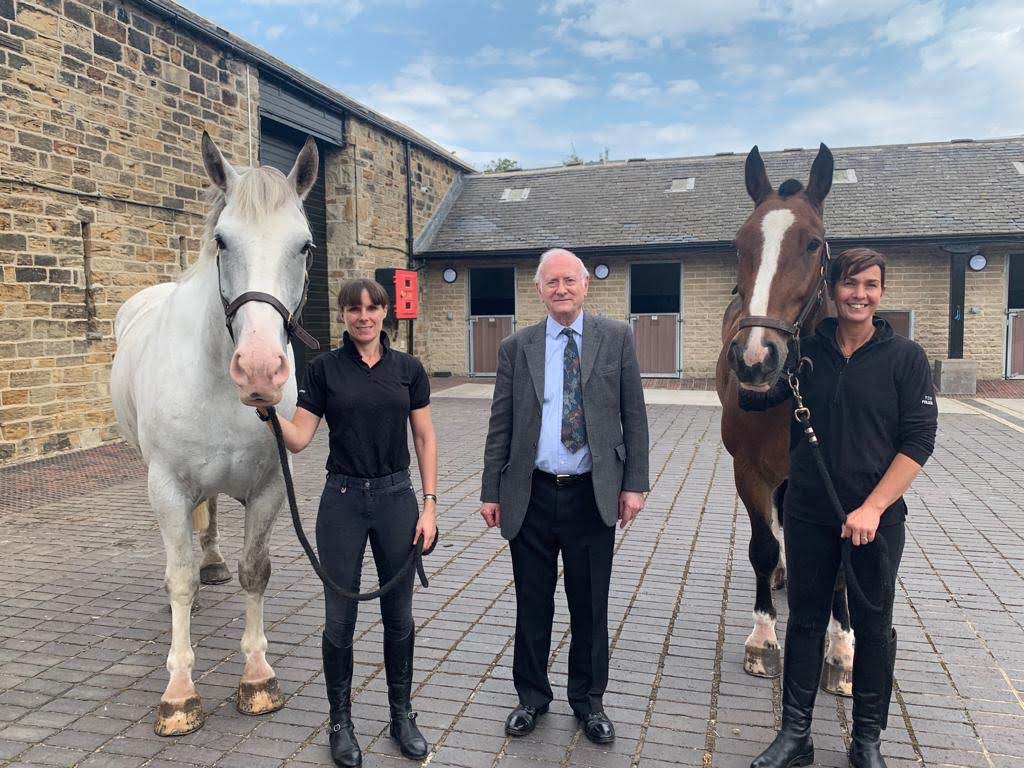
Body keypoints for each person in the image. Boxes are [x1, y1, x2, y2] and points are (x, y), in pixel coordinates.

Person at [745, 248, 937, 768]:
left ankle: (867, 742)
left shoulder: (906, 360)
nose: (859, 295)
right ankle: (795, 736)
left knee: (875, 628)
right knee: (805, 622)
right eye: (850, 285)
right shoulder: (805, 352)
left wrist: (873, 508)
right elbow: (756, 400)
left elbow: (918, 442)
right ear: (830, 289)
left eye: (870, 285)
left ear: (881, 292)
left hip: (875, 521)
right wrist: (748, 357)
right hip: (808, 513)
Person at [258, 278, 437, 768]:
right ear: (342, 316)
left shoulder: (409, 370)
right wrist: (269, 407)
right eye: (354, 309)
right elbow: (299, 438)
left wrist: (430, 504)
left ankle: (402, 715)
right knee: (340, 620)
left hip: (397, 499)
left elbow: (424, 437)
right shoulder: (324, 371)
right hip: (342, 502)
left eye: (372, 308)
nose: (364, 317)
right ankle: (341, 722)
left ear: (385, 314)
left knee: (399, 618)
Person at [479, 248, 650, 745]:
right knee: (533, 604)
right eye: (551, 282)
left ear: (585, 285)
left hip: (591, 494)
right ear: (538, 290)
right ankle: (531, 697)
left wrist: (634, 484)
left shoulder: (616, 338)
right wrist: (491, 489)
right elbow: (500, 423)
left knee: (590, 607)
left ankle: (588, 702)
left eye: (569, 281)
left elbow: (634, 416)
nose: (561, 289)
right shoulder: (518, 347)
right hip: (530, 494)